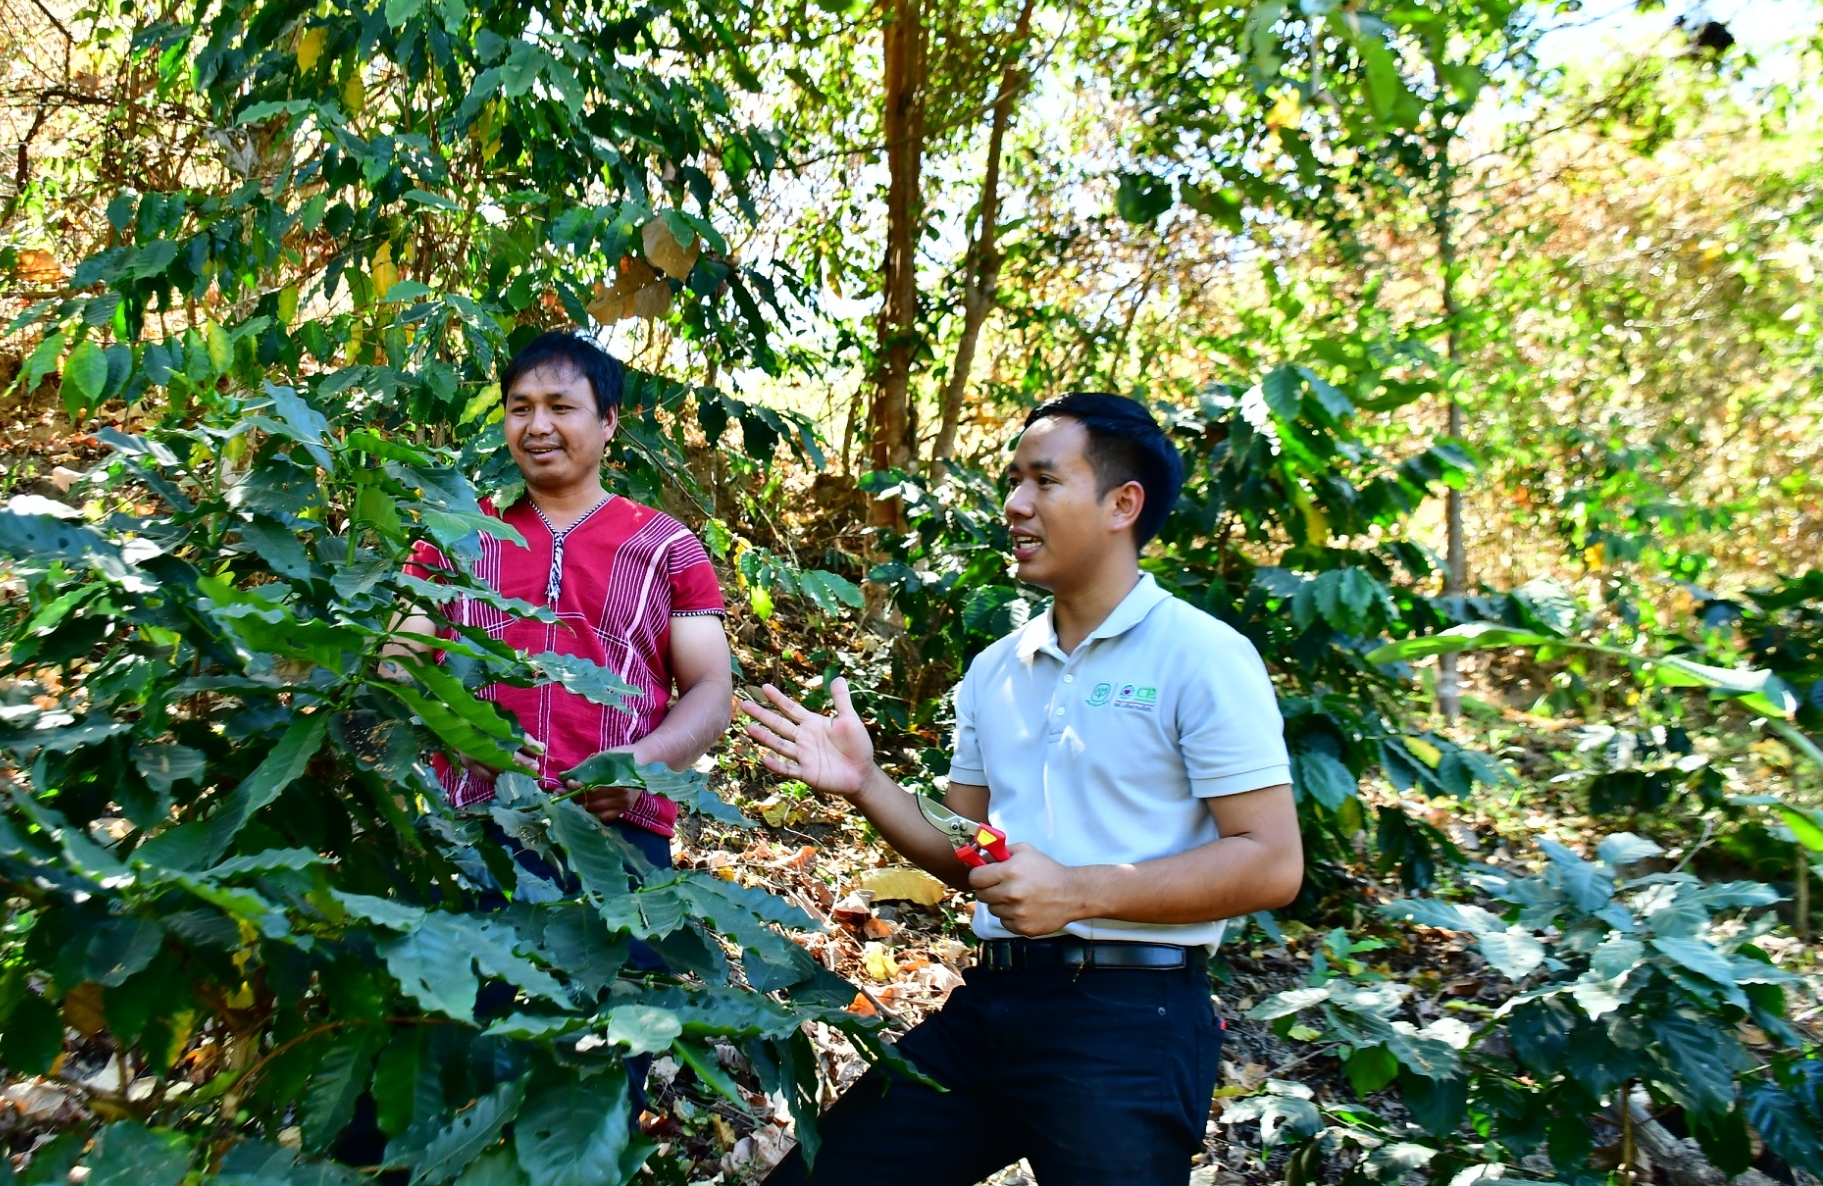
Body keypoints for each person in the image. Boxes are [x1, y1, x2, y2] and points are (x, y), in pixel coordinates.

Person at [741, 392, 1303, 1186]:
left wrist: (1076, 891)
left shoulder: (1202, 656)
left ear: (1122, 504)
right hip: (994, 1006)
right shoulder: (997, 668)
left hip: (1131, 1019)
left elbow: (1273, 862)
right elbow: (968, 851)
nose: (1013, 504)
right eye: (1013, 480)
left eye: (1043, 480)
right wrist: (865, 782)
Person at [386, 330, 733, 867]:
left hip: (621, 834)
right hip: (470, 830)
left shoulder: (668, 546)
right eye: (520, 408)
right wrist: (457, 731)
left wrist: (640, 765)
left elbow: (711, 689)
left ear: (608, 420)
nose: (538, 425)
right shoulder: (454, 534)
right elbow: (395, 664)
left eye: (561, 406)